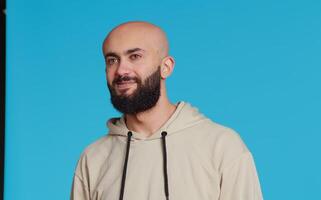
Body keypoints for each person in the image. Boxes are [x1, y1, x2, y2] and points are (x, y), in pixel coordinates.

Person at [70, 21, 263, 200]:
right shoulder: (94, 158)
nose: (121, 70)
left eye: (135, 56)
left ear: (166, 67)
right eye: (112, 60)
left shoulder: (222, 147)